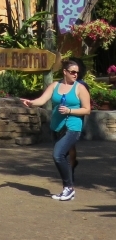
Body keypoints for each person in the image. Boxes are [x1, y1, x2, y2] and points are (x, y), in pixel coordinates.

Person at [21, 58, 90, 202]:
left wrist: (70, 110)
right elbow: (42, 100)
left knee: (58, 155)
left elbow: (87, 109)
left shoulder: (80, 88)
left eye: (77, 72)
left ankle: (69, 188)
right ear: (65, 72)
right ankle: (68, 188)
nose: (75, 75)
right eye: (72, 72)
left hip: (73, 127)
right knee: (62, 157)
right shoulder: (55, 86)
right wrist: (31, 103)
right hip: (57, 126)